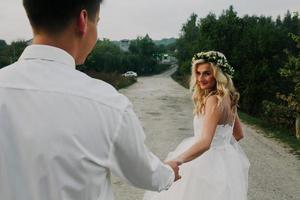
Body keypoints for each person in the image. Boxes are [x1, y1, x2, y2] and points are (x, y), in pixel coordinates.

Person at [0, 1, 181, 200]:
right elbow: (145, 173)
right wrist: (169, 172)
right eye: (98, 22)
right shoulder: (107, 102)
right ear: (83, 20)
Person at [143, 51, 250, 200]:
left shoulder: (213, 99)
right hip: (225, 164)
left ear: (218, 74)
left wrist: (177, 160)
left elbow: (205, 143)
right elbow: (238, 134)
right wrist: (222, 149)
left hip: (204, 163)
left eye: (207, 73)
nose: (200, 78)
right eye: (198, 73)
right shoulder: (229, 98)